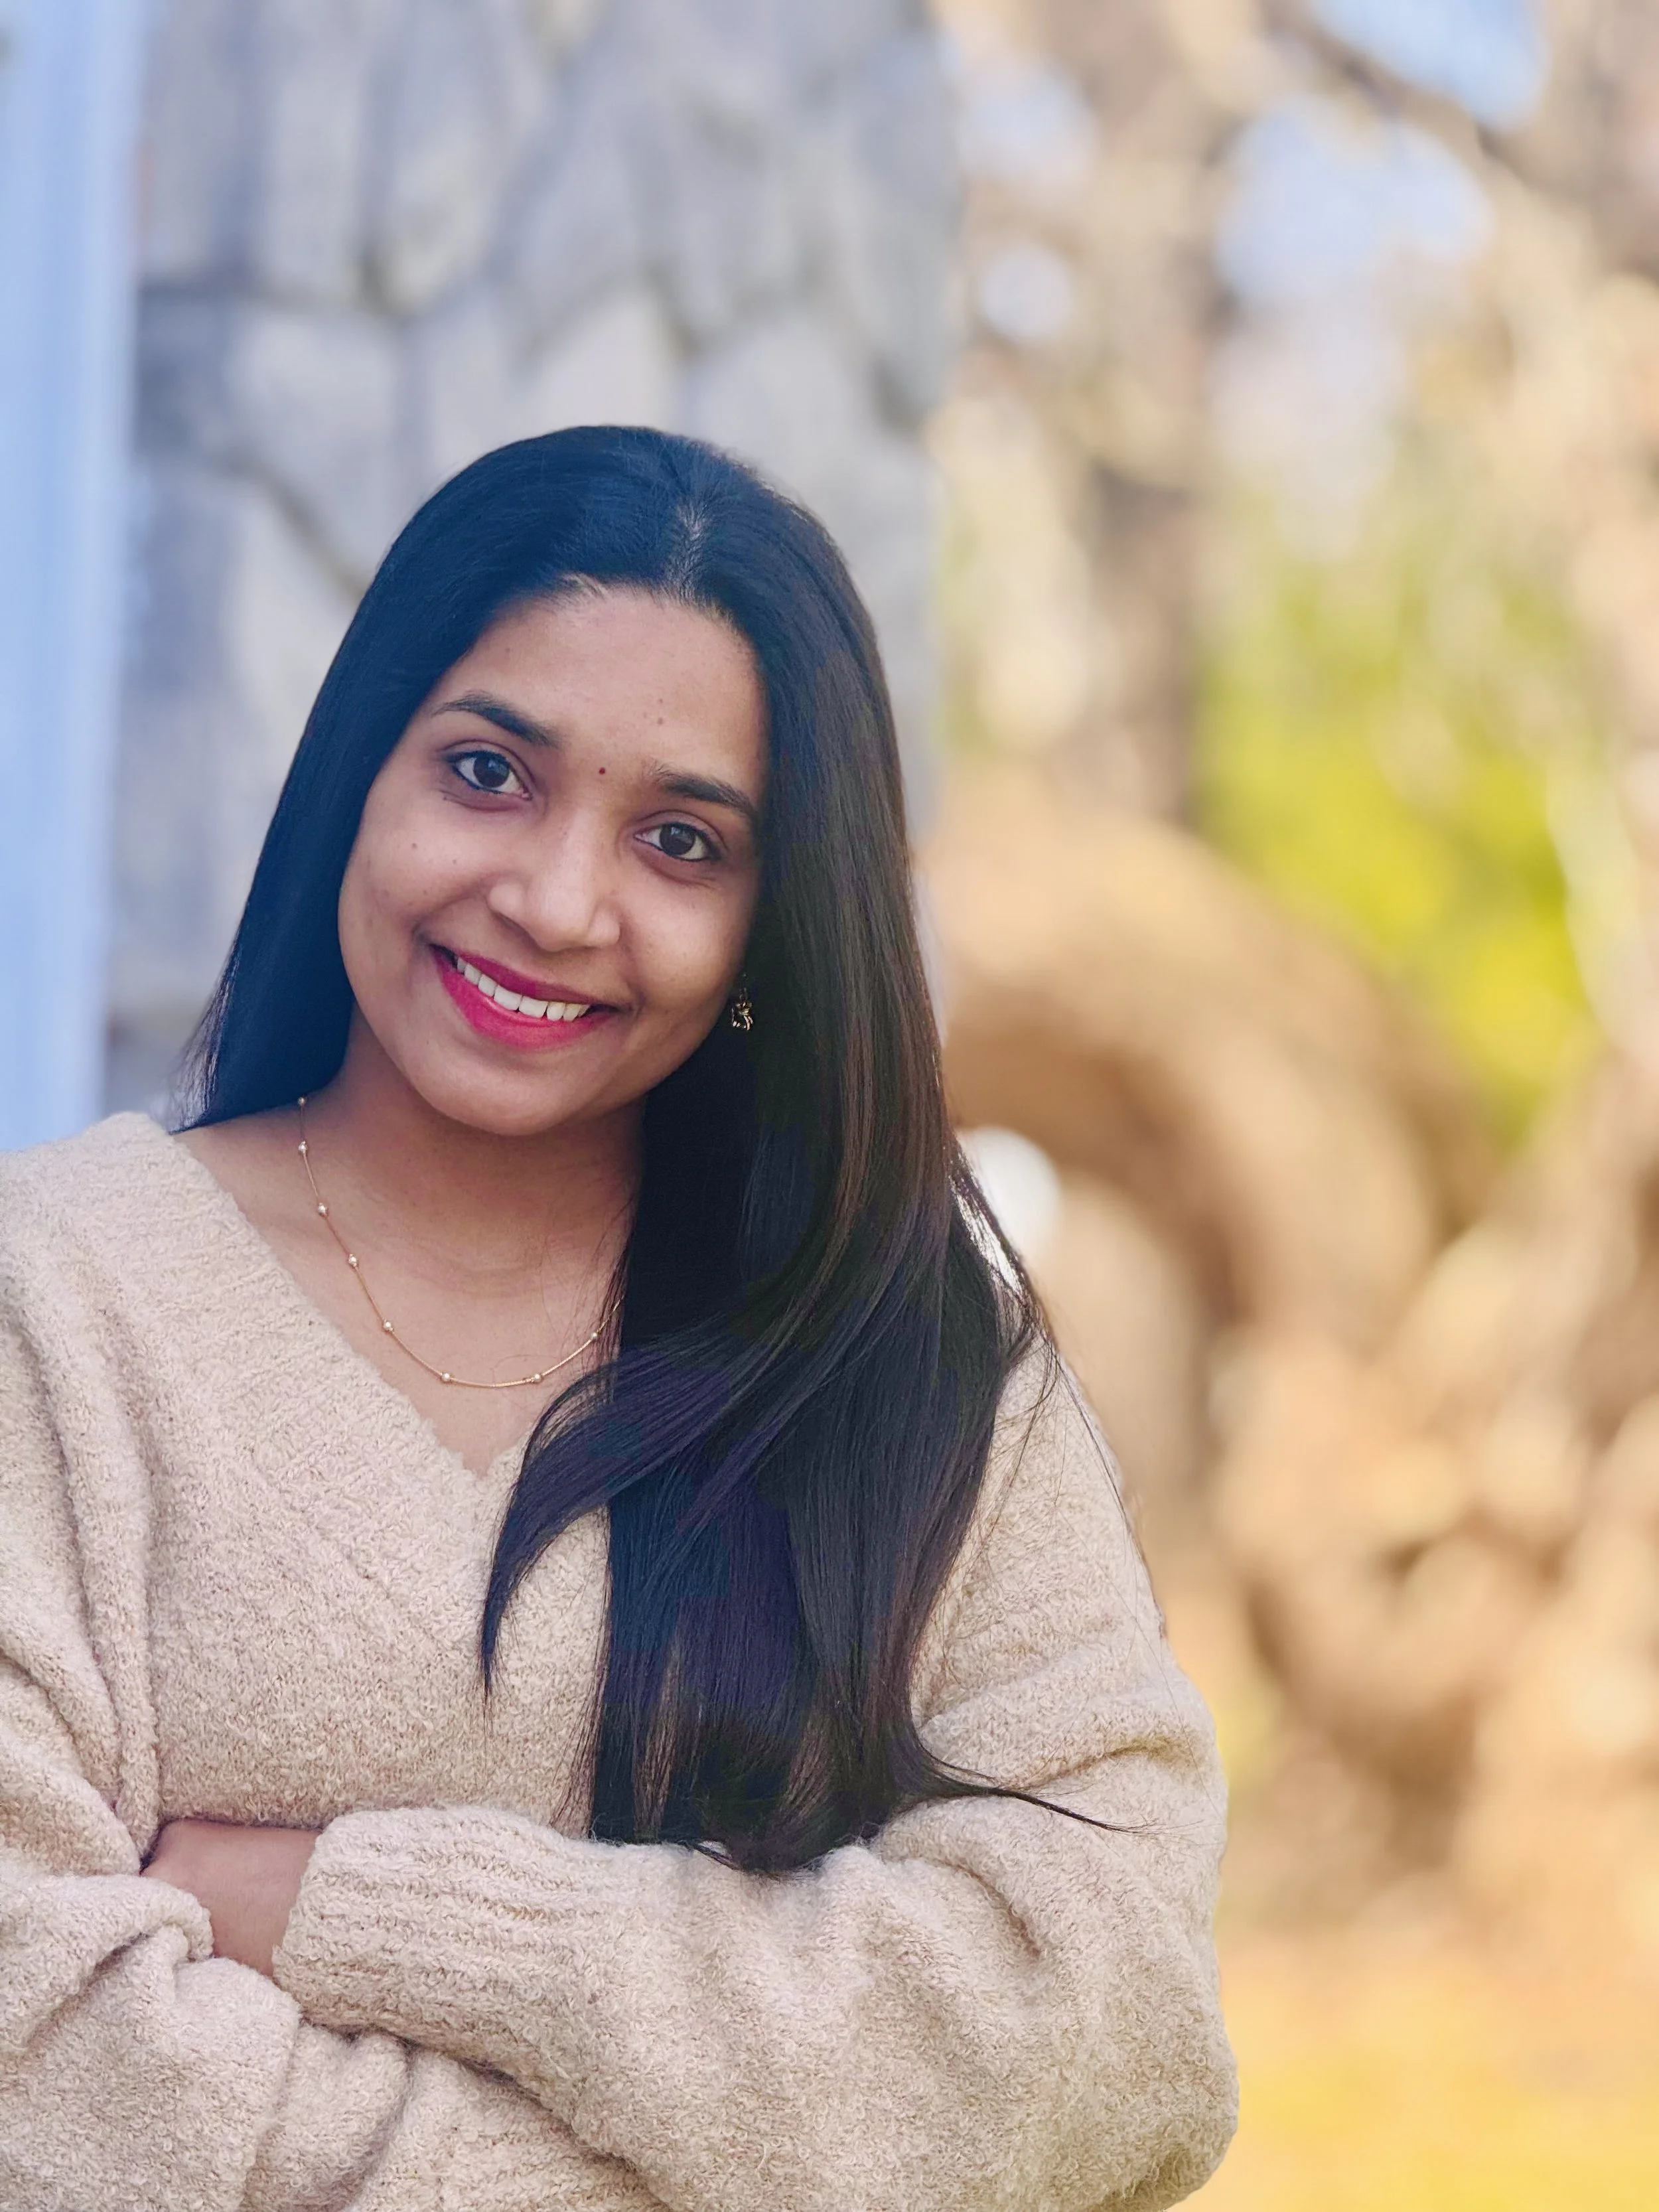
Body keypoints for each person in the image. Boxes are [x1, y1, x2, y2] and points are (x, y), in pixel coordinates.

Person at [0, 427, 1236, 2209]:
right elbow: (43, 2077)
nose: (560, 900)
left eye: (680, 837)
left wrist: (369, 1912)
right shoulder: (59, 1295)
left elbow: (1111, 2032)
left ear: (770, 917)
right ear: (359, 769)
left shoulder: (901, 1351)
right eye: (489, 771)